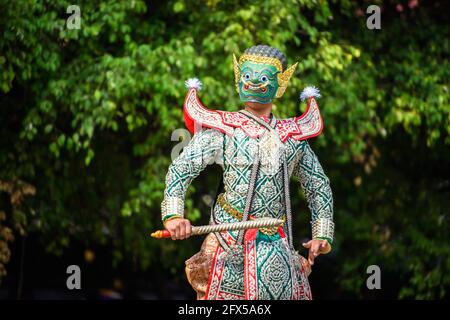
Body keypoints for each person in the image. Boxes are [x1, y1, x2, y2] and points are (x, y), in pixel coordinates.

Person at [161, 45, 334, 300]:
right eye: (246, 76)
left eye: (263, 78)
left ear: (281, 84)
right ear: (237, 79)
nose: (253, 83)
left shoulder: (292, 138)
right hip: (228, 242)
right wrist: (174, 216)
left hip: (277, 245)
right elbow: (181, 169)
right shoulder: (224, 130)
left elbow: (318, 186)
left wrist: (322, 234)